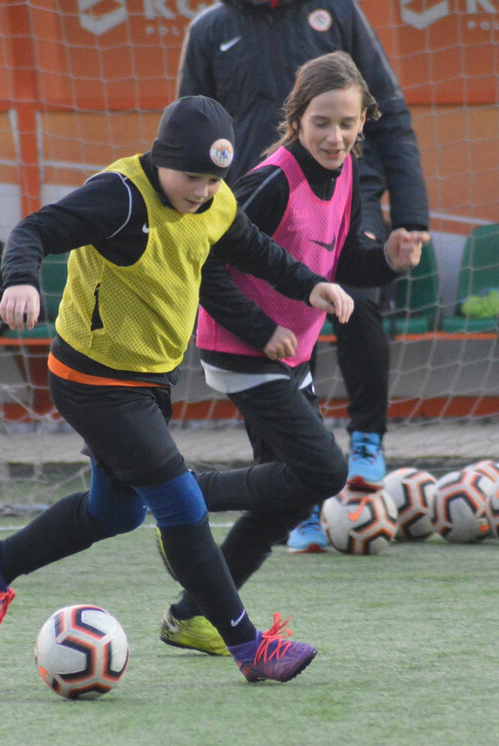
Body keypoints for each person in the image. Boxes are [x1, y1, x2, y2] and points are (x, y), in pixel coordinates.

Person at [0, 95, 353, 683]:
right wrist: (19, 281)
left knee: (112, 513)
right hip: (92, 382)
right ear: (162, 160)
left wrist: (311, 286)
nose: (202, 190)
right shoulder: (119, 196)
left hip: (146, 382)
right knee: (181, 505)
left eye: (213, 178)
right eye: (191, 176)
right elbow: (34, 229)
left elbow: (254, 249)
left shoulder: (215, 200)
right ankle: (251, 649)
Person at [159, 51, 428, 654]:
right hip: (241, 349)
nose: (335, 136)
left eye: (347, 123)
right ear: (296, 121)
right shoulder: (273, 180)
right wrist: (260, 331)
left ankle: (193, 613)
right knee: (327, 471)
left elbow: (337, 266)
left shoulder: (350, 173)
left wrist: (387, 259)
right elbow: (209, 266)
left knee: (289, 495)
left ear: (364, 123)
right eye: (322, 123)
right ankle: (180, 493)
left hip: (288, 355)